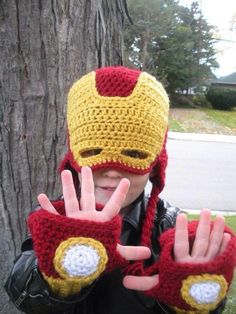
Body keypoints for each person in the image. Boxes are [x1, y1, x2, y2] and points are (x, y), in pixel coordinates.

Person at [5, 66, 236, 314]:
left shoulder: (171, 229)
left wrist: (192, 301)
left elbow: (206, 303)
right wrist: (60, 276)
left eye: (134, 154)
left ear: (156, 162)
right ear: (74, 156)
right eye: (93, 153)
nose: (113, 171)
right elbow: (21, 294)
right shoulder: (53, 217)